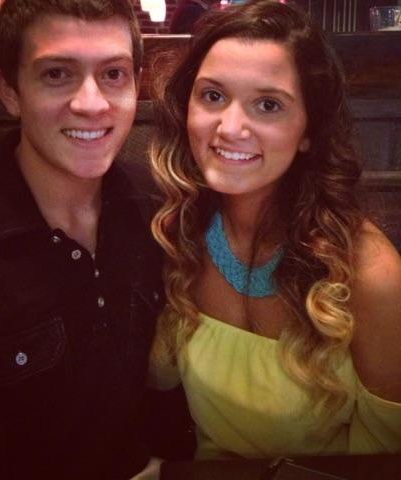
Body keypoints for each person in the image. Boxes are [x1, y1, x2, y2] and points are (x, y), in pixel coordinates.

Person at [0, 0, 164, 478]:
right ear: (9, 91)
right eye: (57, 74)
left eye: (113, 74)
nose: (92, 103)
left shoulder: (160, 213)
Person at [149, 0, 401, 461]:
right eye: (213, 96)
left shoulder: (370, 274)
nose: (230, 128)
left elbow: (384, 462)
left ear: (308, 131)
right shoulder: (176, 230)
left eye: (268, 105)